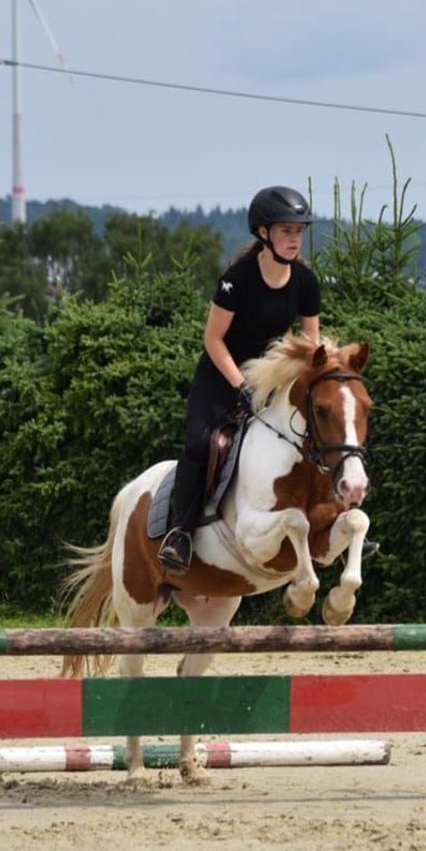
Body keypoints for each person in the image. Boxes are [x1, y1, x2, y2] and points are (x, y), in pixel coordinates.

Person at [157, 186, 322, 574]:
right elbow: (212, 339)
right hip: (221, 377)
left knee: (320, 435)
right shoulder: (236, 279)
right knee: (200, 443)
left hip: (272, 380)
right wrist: (239, 385)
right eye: (286, 231)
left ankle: (331, 523)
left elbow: (310, 343)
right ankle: (180, 533)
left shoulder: (306, 281)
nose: (295, 239)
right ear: (263, 233)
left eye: (299, 231)